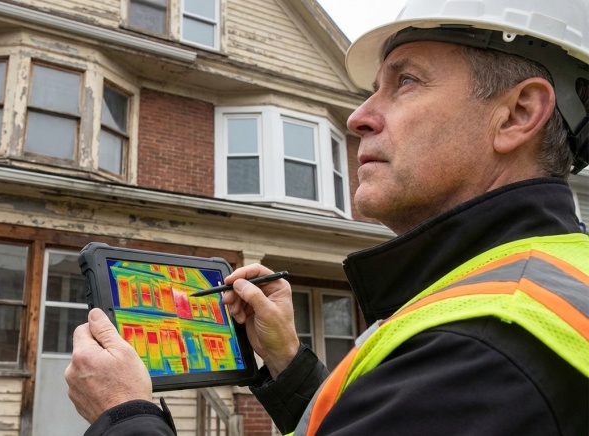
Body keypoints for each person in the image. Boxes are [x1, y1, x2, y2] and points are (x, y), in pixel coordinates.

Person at [65, 0, 589, 433]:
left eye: (405, 81)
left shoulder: (485, 347)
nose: (357, 116)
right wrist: (288, 362)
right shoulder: (527, 289)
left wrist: (124, 414)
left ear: (518, 114)